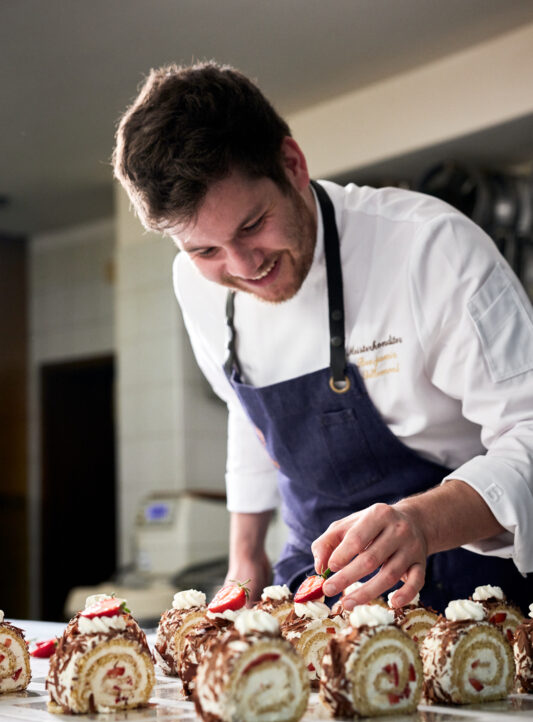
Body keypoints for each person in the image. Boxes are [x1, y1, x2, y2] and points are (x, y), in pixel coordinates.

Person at [113, 61, 533, 613]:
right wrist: (245, 557)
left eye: (251, 225)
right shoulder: (195, 285)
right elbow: (248, 414)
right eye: (205, 250)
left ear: (292, 165)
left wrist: (422, 522)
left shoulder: (429, 248)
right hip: (316, 592)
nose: (242, 267)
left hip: (471, 587)